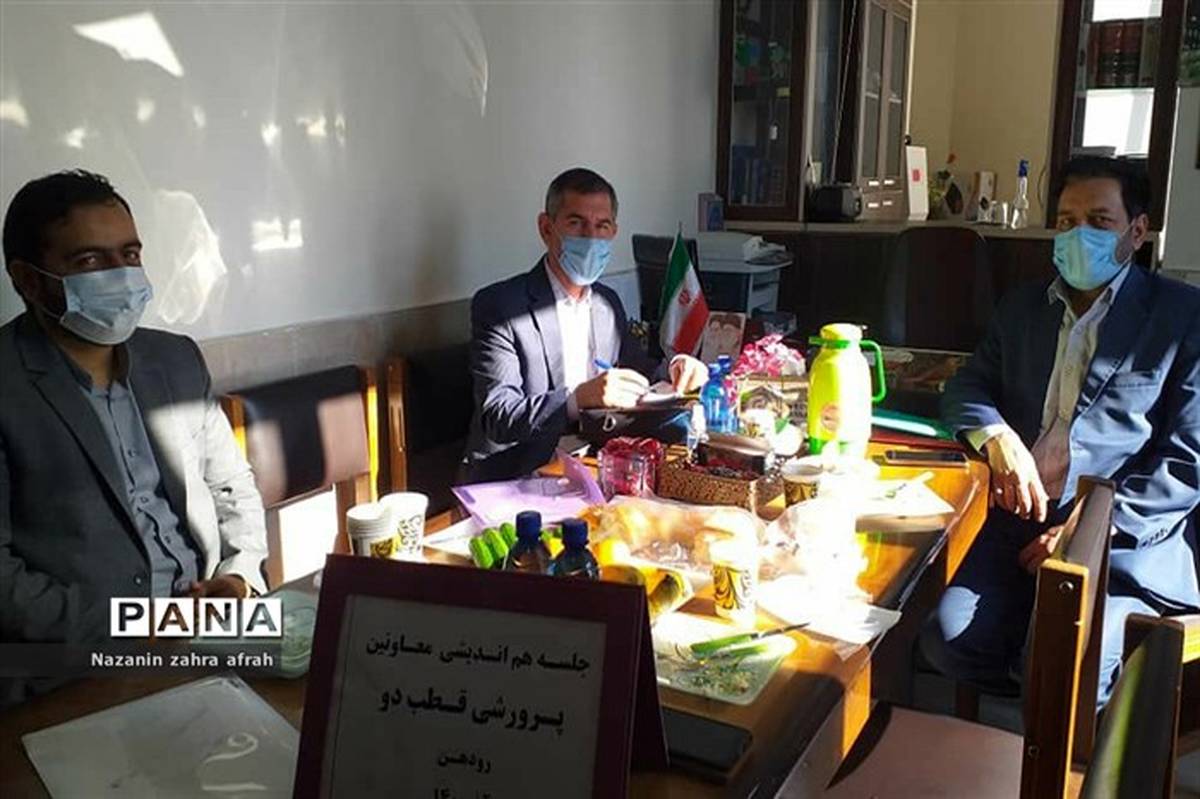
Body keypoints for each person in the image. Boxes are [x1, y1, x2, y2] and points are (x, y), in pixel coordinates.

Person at [925, 156, 1200, 705]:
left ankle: (1061, 721)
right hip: (1020, 520)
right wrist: (996, 436)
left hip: (1119, 543)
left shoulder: (1180, 317)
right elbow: (968, 386)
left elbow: (1186, 461)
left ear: (1137, 231)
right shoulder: (1024, 307)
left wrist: (1085, 531)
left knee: (1064, 666)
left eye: (1099, 221)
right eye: (1067, 221)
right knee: (947, 642)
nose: (1079, 236)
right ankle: (1039, 699)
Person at [0, 170, 268, 702]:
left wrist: (238, 579)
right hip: (71, 663)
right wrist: (143, 626)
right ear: (28, 280)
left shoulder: (176, 359)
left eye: (130, 254)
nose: (121, 275)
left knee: (335, 692)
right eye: (90, 261)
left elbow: (233, 487)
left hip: (212, 623)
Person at [464, 168, 708, 481]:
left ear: (613, 231)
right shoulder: (502, 307)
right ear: (546, 228)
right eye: (576, 223)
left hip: (593, 466)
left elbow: (640, 371)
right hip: (518, 475)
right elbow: (499, 416)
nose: (591, 237)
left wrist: (675, 369)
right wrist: (577, 400)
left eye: (601, 225)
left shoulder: (607, 303)